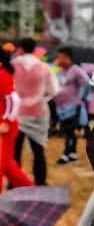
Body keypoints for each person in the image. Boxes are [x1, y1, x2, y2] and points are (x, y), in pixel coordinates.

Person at [13, 37, 60, 185]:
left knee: (15, 151)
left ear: (20, 48)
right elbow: (54, 90)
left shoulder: (12, 66)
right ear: (34, 49)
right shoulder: (44, 67)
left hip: (17, 114)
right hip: (38, 113)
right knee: (38, 150)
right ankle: (40, 182)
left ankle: (15, 182)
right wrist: (41, 99)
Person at [0, 48, 33, 191]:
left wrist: (6, 121)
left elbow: (13, 100)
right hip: (6, 124)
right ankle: (31, 190)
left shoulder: (2, 75)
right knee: (7, 164)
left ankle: (31, 190)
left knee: (4, 164)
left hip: (5, 126)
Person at [52, 47, 90, 164]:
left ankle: (66, 154)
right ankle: (72, 154)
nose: (60, 59)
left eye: (62, 57)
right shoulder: (59, 70)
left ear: (68, 58)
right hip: (61, 108)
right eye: (59, 57)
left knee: (70, 130)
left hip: (73, 107)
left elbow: (87, 83)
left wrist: (82, 98)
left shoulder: (75, 69)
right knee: (68, 131)